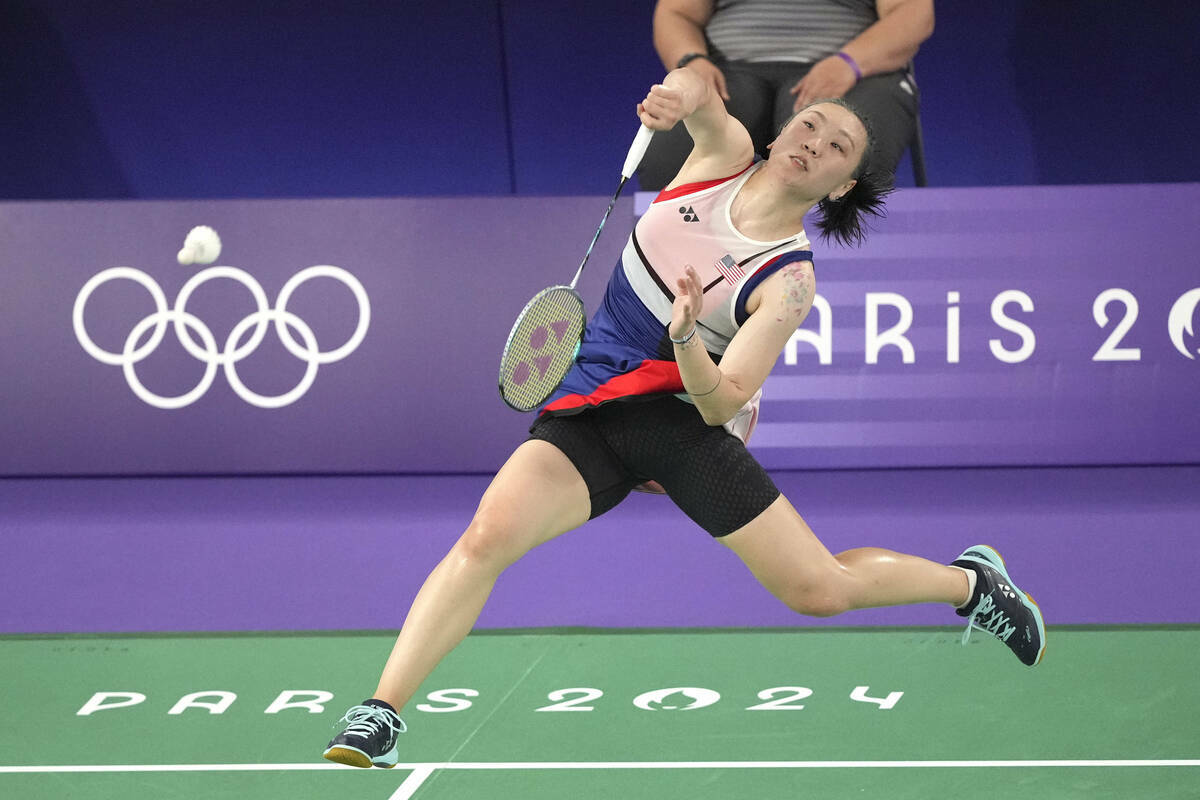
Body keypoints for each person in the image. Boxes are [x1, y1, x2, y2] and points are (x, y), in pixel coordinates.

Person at [321, 66, 1044, 770]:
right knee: (486, 536)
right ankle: (382, 711)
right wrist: (678, 93)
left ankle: (972, 585)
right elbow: (702, 87)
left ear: (841, 185)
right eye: (809, 125)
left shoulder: (789, 282)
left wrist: (687, 336)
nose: (813, 143)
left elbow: (725, 398)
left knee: (818, 590)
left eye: (835, 149)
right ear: (778, 132)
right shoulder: (718, 159)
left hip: (683, 424)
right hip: (592, 402)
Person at [639, 0, 934, 190]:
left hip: (850, 71)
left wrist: (850, 63)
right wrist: (692, 61)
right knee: (674, 156)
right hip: (727, 71)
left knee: (835, 161)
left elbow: (913, 13)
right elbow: (676, 13)